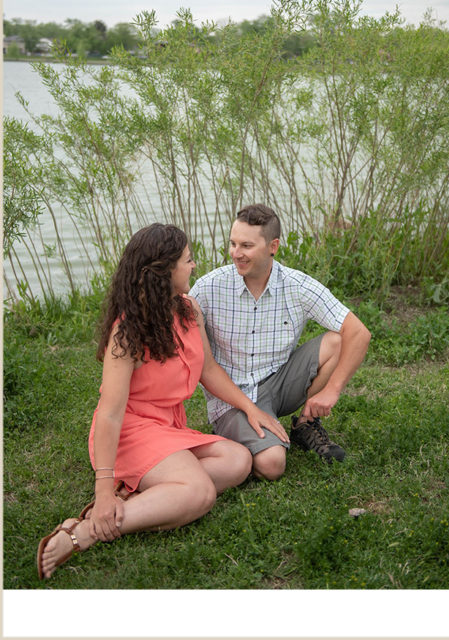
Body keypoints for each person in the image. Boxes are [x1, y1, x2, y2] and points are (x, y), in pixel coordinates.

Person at [37, 224, 254, 579]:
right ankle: (86, 531)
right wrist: (103, 488)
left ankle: (133, 498)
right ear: (165, 271)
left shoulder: (187, 309)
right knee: (199, 492)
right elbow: (109, 414)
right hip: (130, 431)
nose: (194, 266)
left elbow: (209, 370)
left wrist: (250, 407)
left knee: (237, 460)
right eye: (187, 260)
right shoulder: (127, 333)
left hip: (169, 428)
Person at [191, 204, 371, 481]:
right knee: (273, 464)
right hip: (232, 397)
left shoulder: (296, 285)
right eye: (233, 243)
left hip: (280, 384)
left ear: (272, 246)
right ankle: (234, 436)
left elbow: (359, 333)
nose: (236, 253)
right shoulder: (208, 288)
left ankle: (305, 425)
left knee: (337, 341)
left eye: (246, 245)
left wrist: (332, 390)